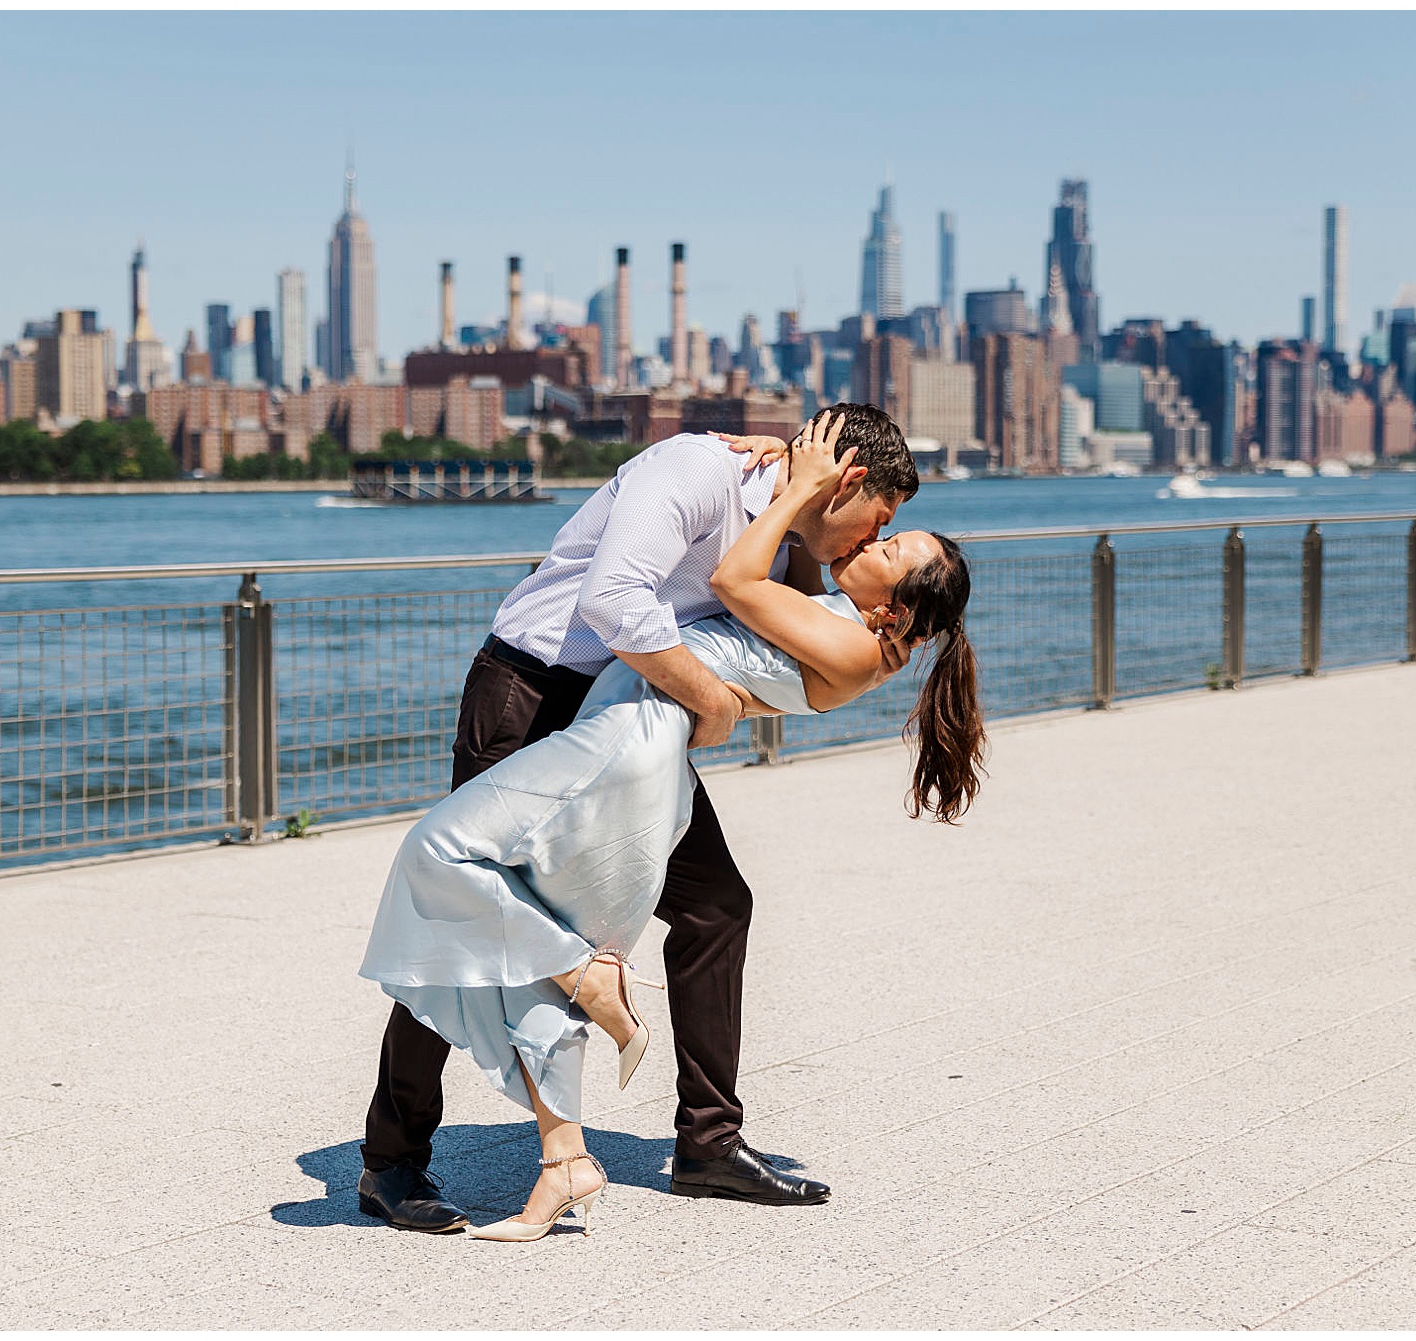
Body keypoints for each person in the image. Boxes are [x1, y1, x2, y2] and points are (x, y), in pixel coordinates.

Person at [358, 413, 988, 1240]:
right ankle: (392, 1161)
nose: (880, 536)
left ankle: (709, 1142)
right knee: (468, 915)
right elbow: (614, 603)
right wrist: (715, 697)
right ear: (842, 483)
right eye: (880, 519)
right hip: (535, 694)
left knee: (715, 905)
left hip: (635, 722)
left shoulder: (800, 538)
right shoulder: (691, 473)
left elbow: (775, 609)